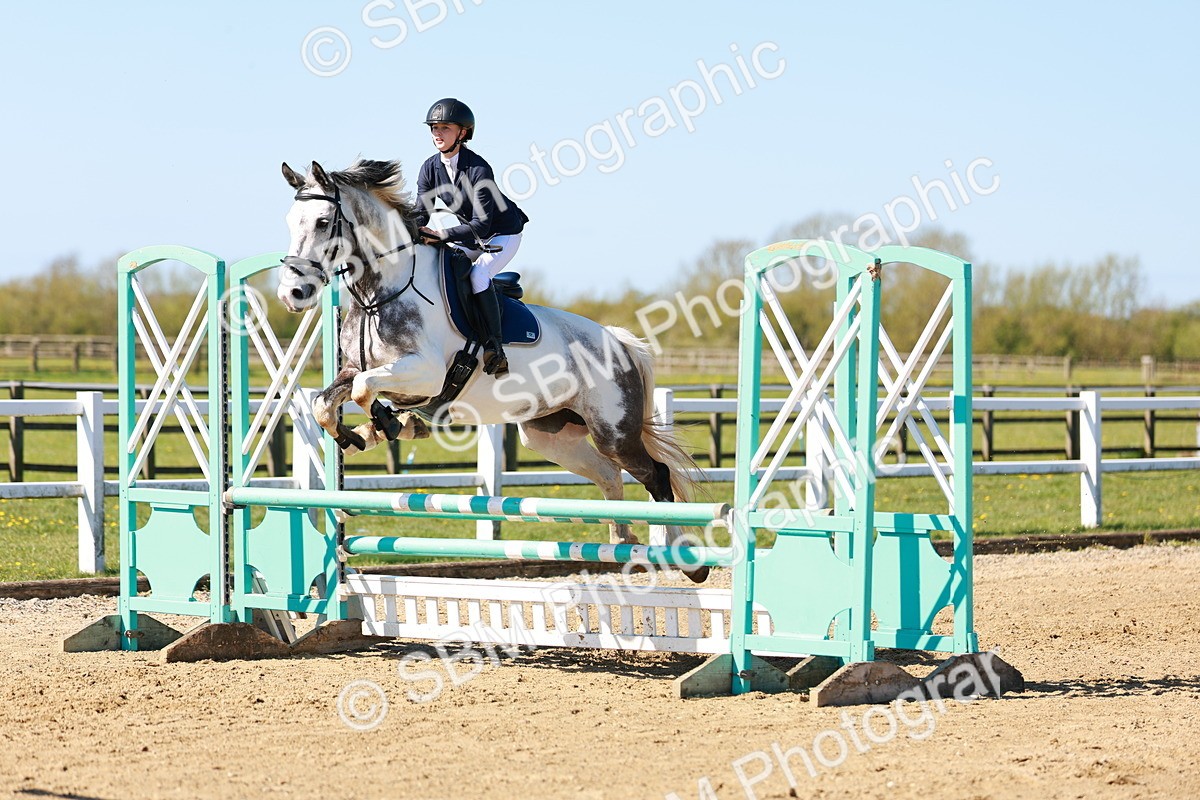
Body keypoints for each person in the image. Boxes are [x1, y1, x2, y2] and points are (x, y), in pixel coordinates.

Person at [413, 98, 528, 376]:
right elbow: (421, 213)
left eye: (445, 128)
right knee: (443, 268)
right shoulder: (430, 168)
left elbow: (482, 225)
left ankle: (495, 348)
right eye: (434, 128)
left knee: (478, 276)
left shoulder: (478, 169)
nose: (437, 134)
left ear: (462, 133)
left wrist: (442, 234)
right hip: (471, 237)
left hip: (502, 233)